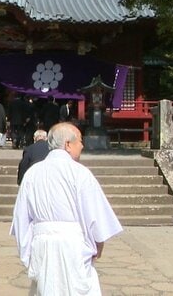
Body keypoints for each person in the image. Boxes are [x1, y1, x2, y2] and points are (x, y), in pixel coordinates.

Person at [11, 122, 123, 295]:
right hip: (74, 244)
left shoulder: (32, 174)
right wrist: (98, 243)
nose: (82, 146)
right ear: (68, 144)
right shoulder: (80, 173)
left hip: (42, 244)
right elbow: (95, 214)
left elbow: (21, 219)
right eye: (80, 140)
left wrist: (27, 252)